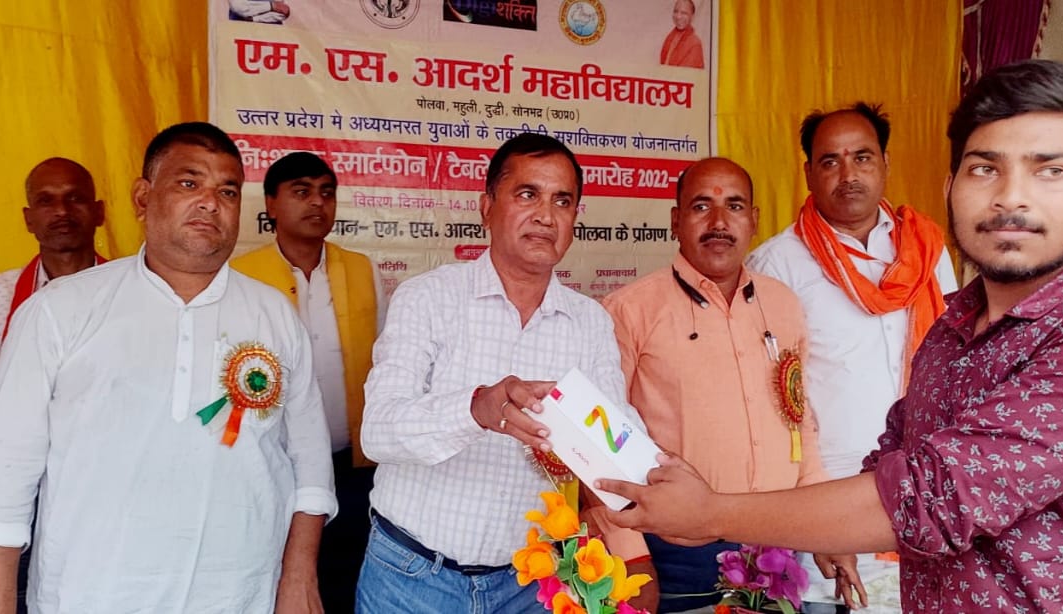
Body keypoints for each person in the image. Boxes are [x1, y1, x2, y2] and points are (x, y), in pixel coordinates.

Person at [601, 59, 1063, 612]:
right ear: (952, 186)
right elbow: (884, 453)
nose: (1011, 197)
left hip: (810, 520)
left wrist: (713, 511)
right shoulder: (950, 329)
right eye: (985, 168)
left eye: (1051, 170)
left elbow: (930, 495)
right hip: (802, 524)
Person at [0, 122, 336, 613]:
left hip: (240, 595)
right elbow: (1, 481)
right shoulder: (58, 311)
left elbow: (309, 462)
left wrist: (300, 577)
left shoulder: (274, 314)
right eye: (189, 183)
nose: (209, 202)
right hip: (91, 597)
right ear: (142, 198)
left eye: (227, 191)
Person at [358, 133, 640, 614]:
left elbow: (614, 448)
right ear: (487, 207)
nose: (546, 216)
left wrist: (643, 465)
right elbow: (378, 432)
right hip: (412, 577)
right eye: (528, 194)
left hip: (529, 585)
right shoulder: (428, 298)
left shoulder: (590, 322)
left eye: (562, 201)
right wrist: (476, 410)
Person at [596, 157, 859, 613]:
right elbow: (600, 446)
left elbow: (800, 425)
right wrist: (630, 556)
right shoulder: (629, 311)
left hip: (778, 542)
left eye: (734, 206)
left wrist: (827, 531)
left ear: (753, 220)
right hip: (677, 553)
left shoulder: (782, 304)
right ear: (676, 220)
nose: (719, 222)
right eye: (702, 206)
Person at [746, 101, 956, 611]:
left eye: (862, 157)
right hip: (827, 496)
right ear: (808, 173)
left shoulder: (927, 250)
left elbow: (953, 358)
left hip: (925, 487)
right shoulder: (776, 264)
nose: (848, 175)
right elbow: (763, 402)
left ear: (885, 163)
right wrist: (810, 517)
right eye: (830, 161)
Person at [232, 151, 382, 614]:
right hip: (275, 465)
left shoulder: (362, 269)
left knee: (349, 576)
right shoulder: (239, 277)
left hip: (354, 465)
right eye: (301, 191)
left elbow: (383, 360)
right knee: (285, 580)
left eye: (326, 192)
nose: (317, 202)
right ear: (271, 204)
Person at [0, 158, 107, 475]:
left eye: (75, 198)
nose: (62, 211)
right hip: (20, 481)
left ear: (99, 212)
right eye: (46, 201)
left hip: (108, 476)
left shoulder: (134, 293)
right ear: (28, 219)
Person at [659, 0, 703, 69]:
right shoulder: (670, 37)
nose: (678, 17)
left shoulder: (695, 43)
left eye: (684, 13)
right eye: (676, 11)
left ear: (692, 16)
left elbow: (686, 73)